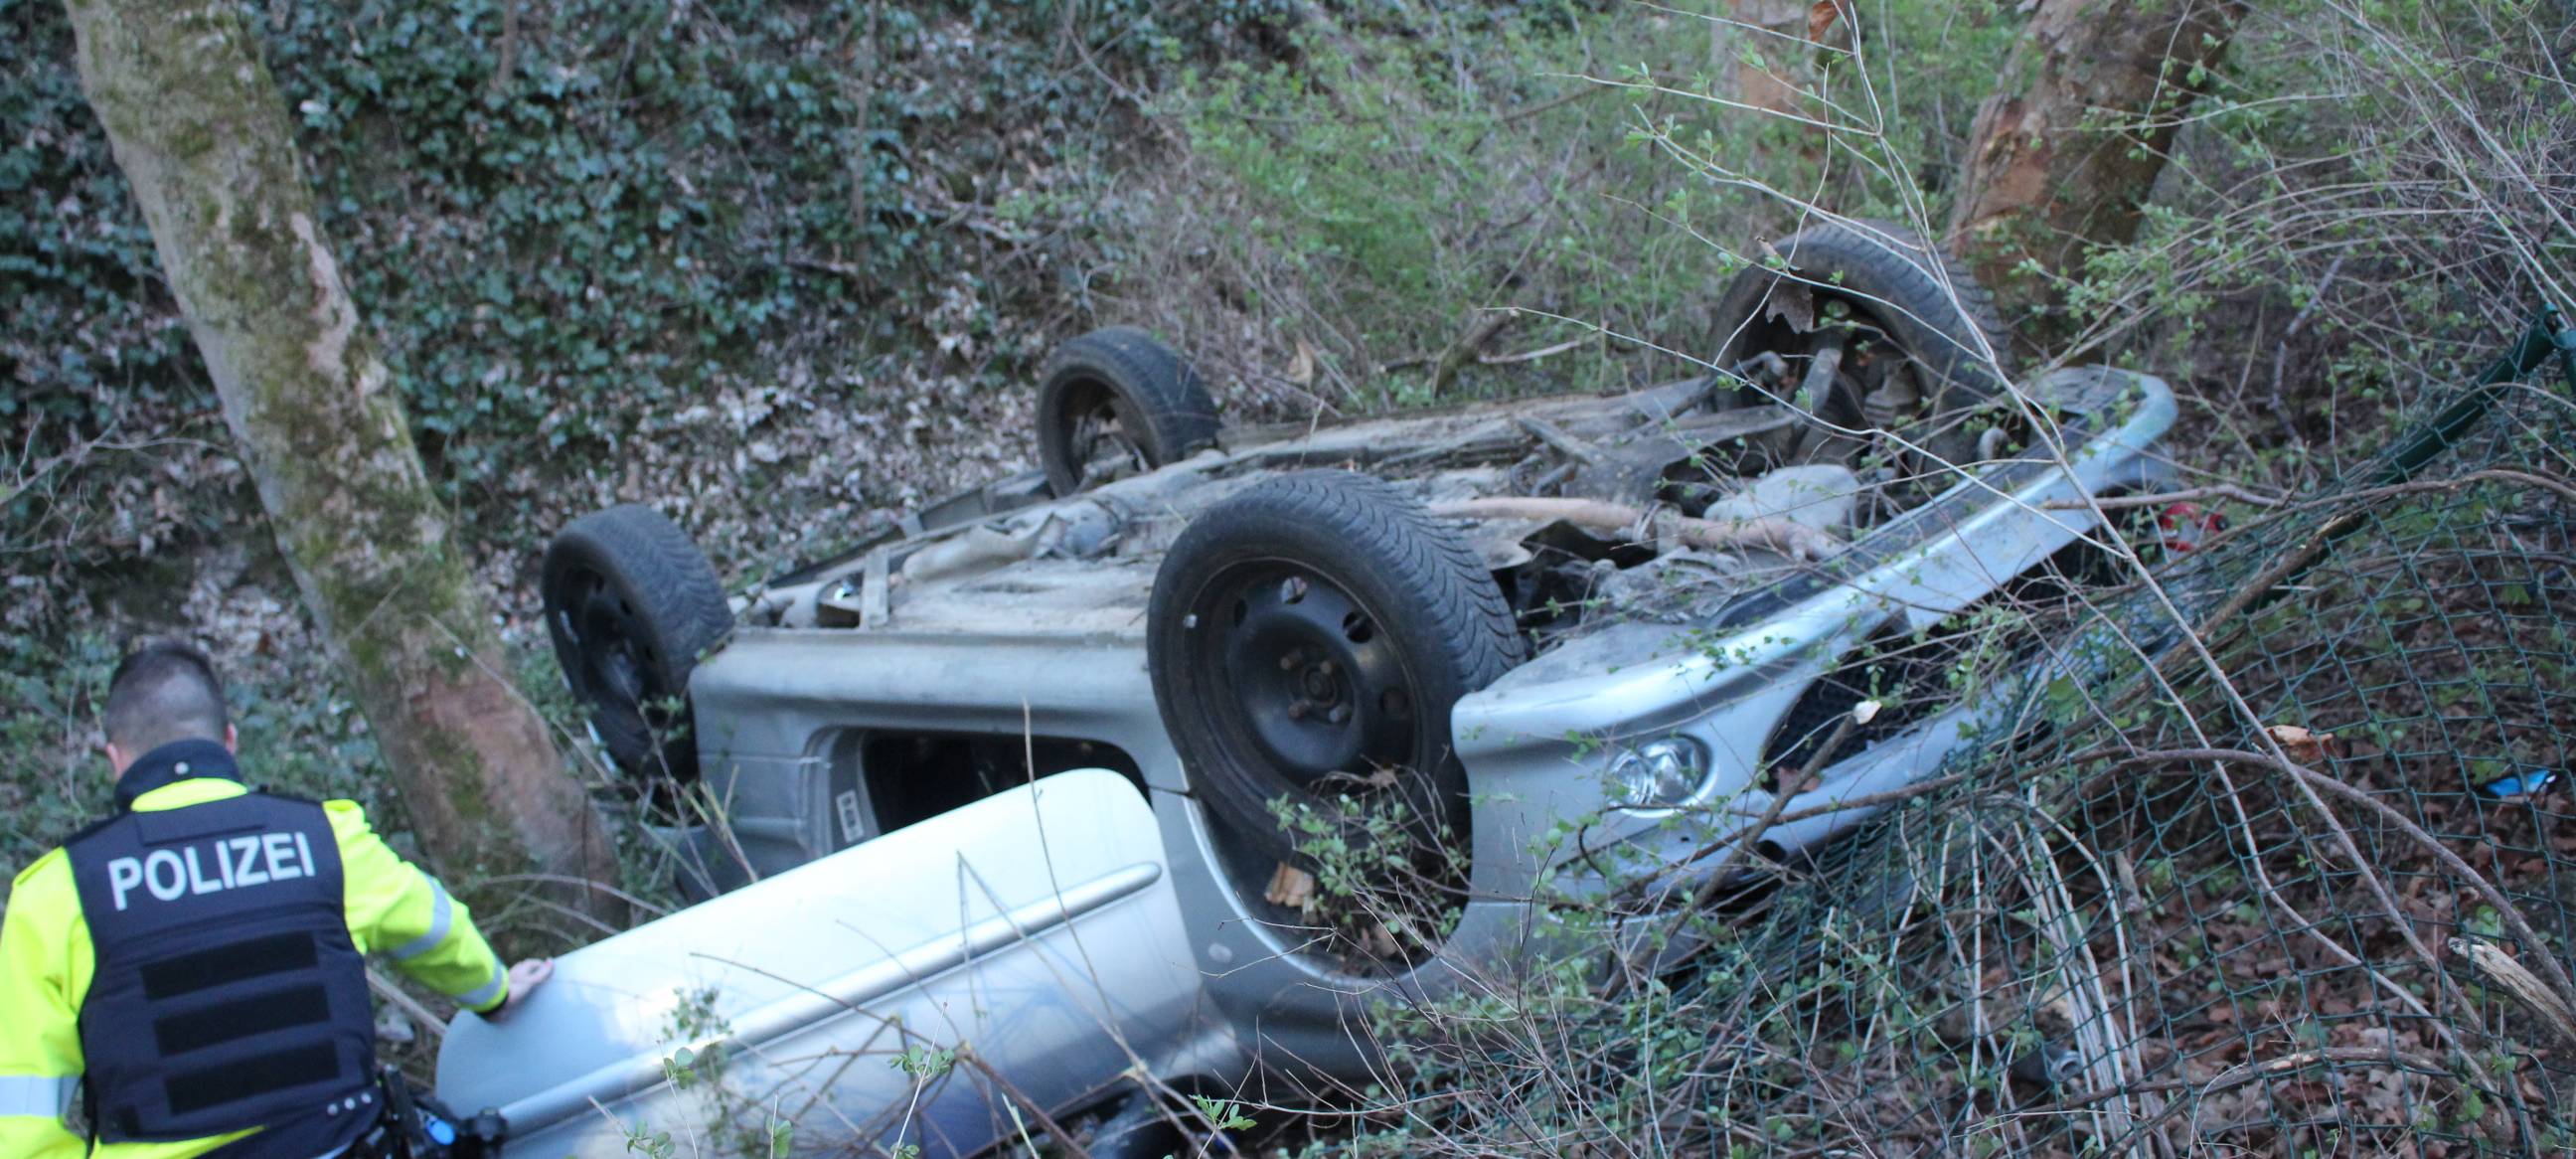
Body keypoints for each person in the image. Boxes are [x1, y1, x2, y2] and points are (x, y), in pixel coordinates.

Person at [0, 640, 555, 1158]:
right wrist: (494, 993)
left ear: (116, 759)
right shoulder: (325, 840)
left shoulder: (57, 893)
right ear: (230, 740)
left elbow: (18, 1118)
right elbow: (435, 927)